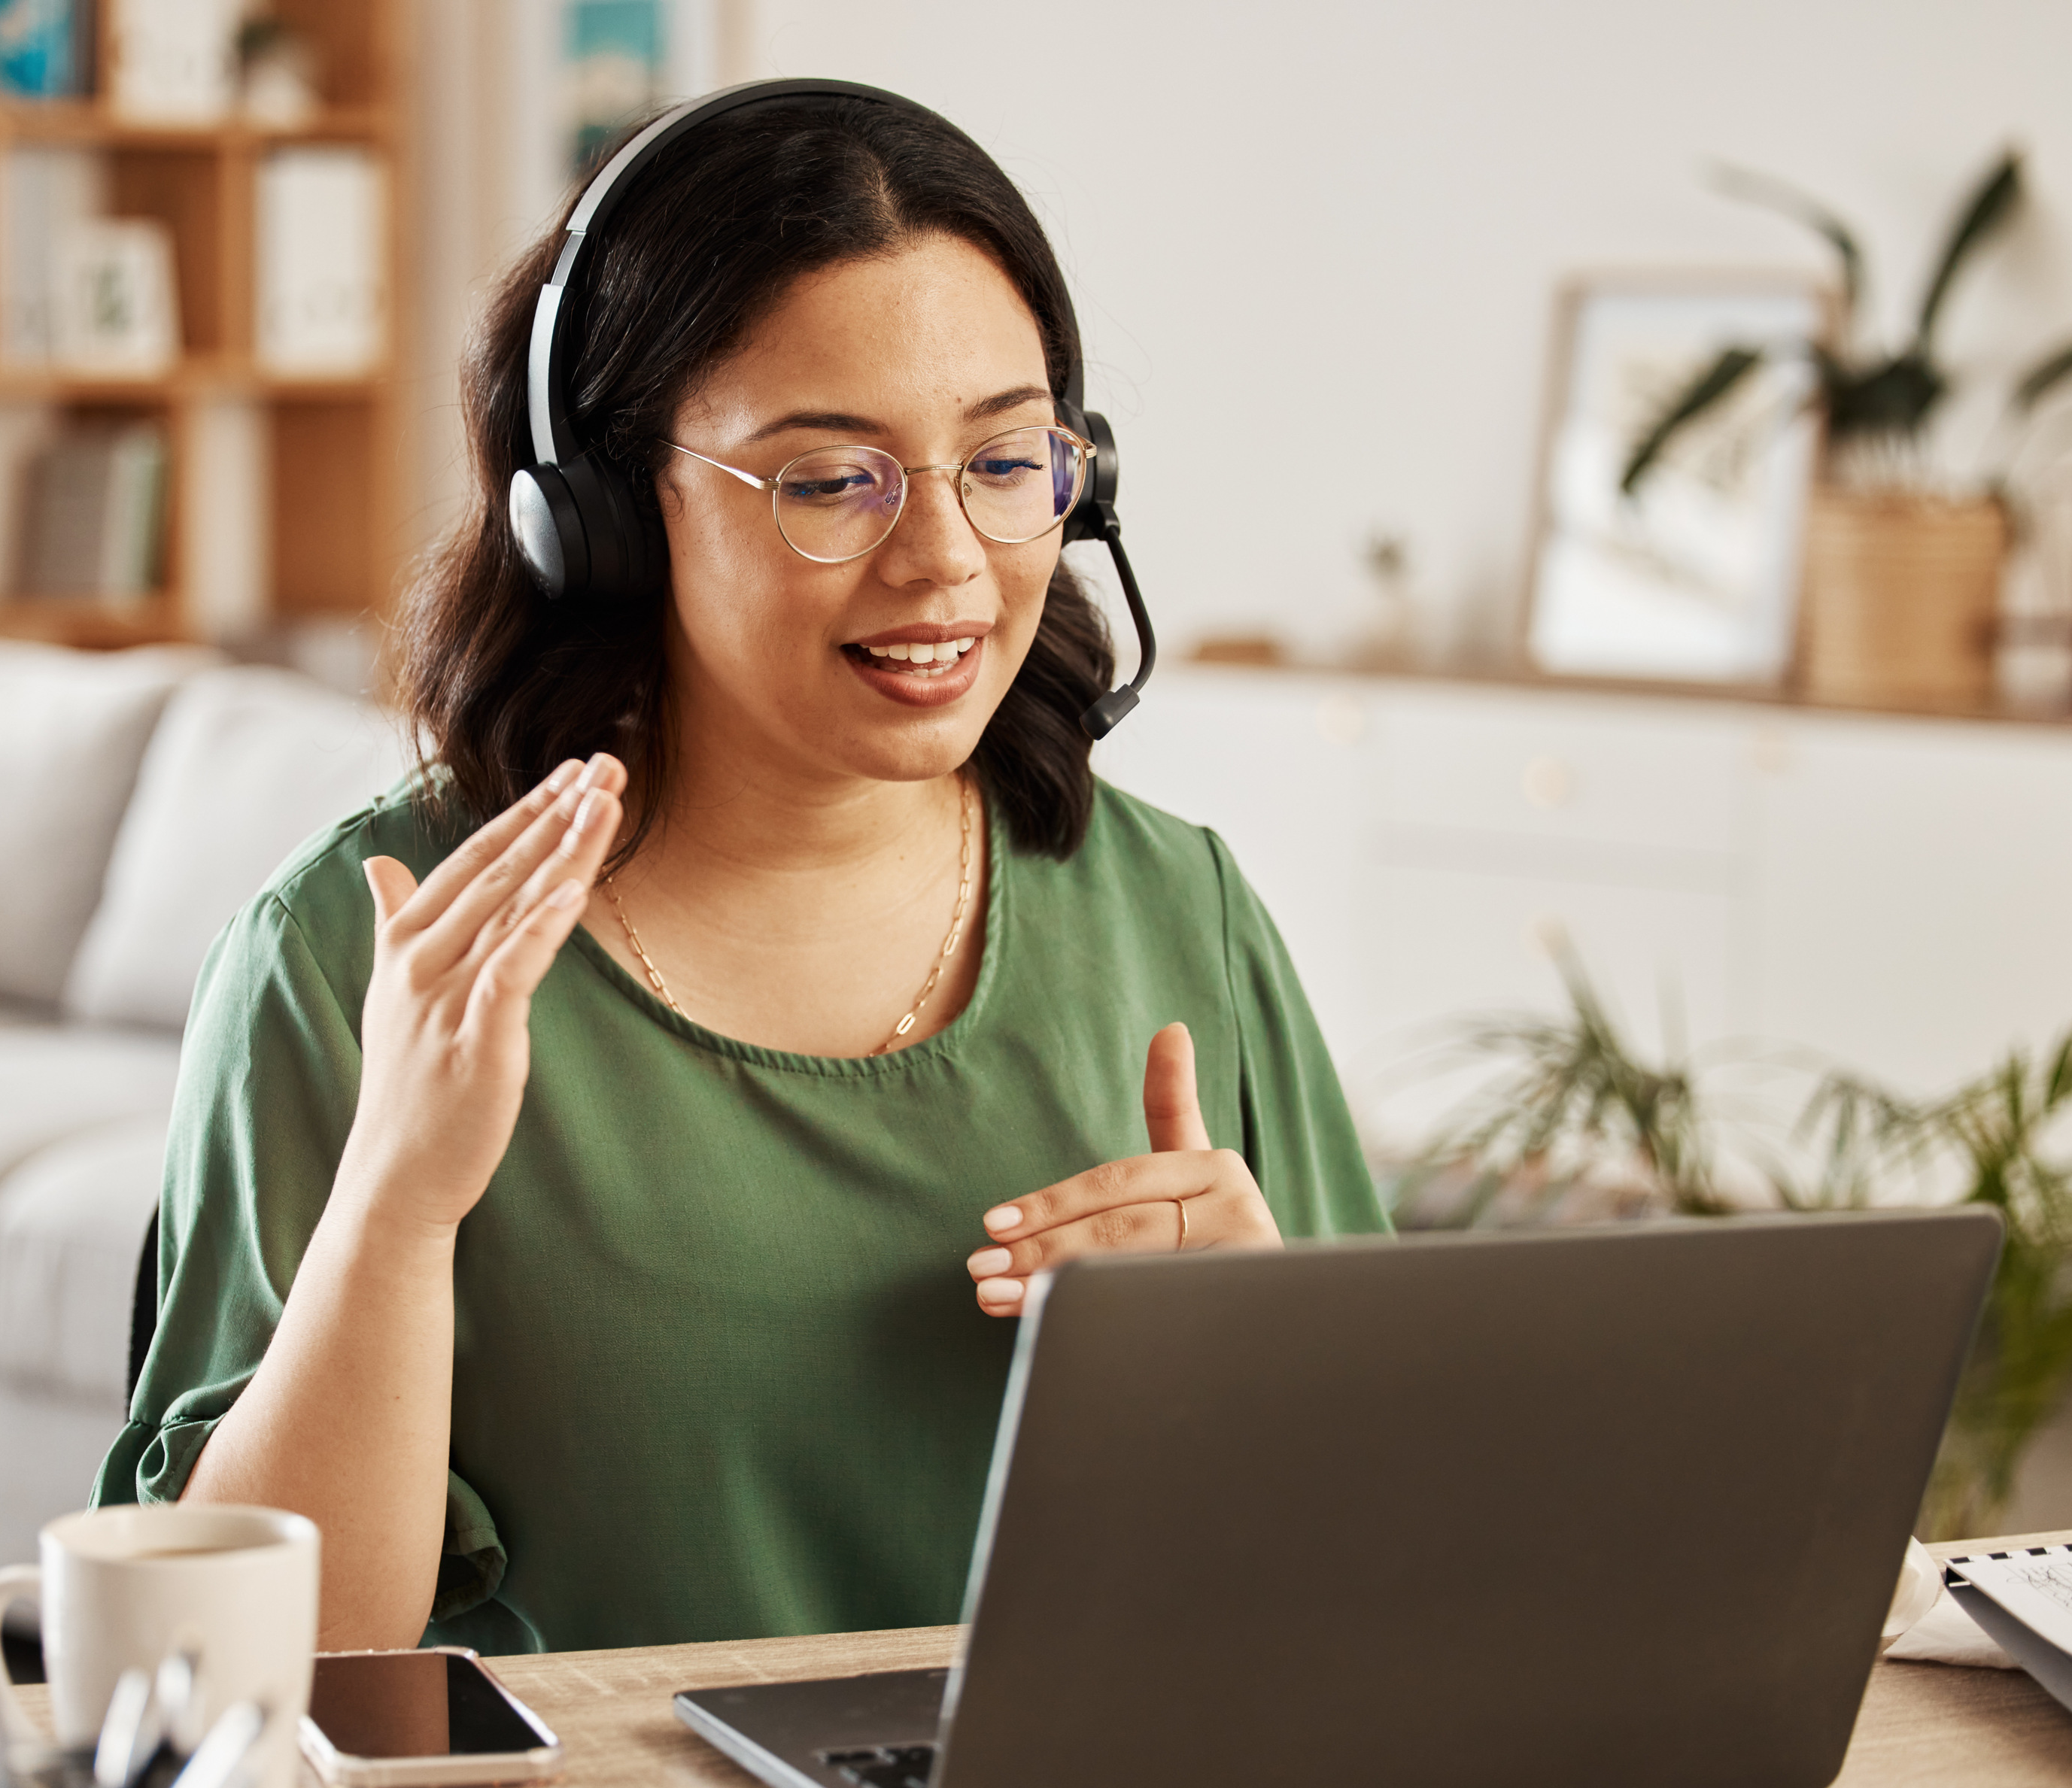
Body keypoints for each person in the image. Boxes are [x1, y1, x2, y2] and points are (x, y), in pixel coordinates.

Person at [96, 87, 1386, 1656]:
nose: (946, 564)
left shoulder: (1183, 915)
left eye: (1001, 460)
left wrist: (1267, 1353)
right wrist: (398, 1206)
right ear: (602, 517)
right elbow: (255, 1675)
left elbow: (1371, 1593)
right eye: (832, 479)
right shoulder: (364, 952)